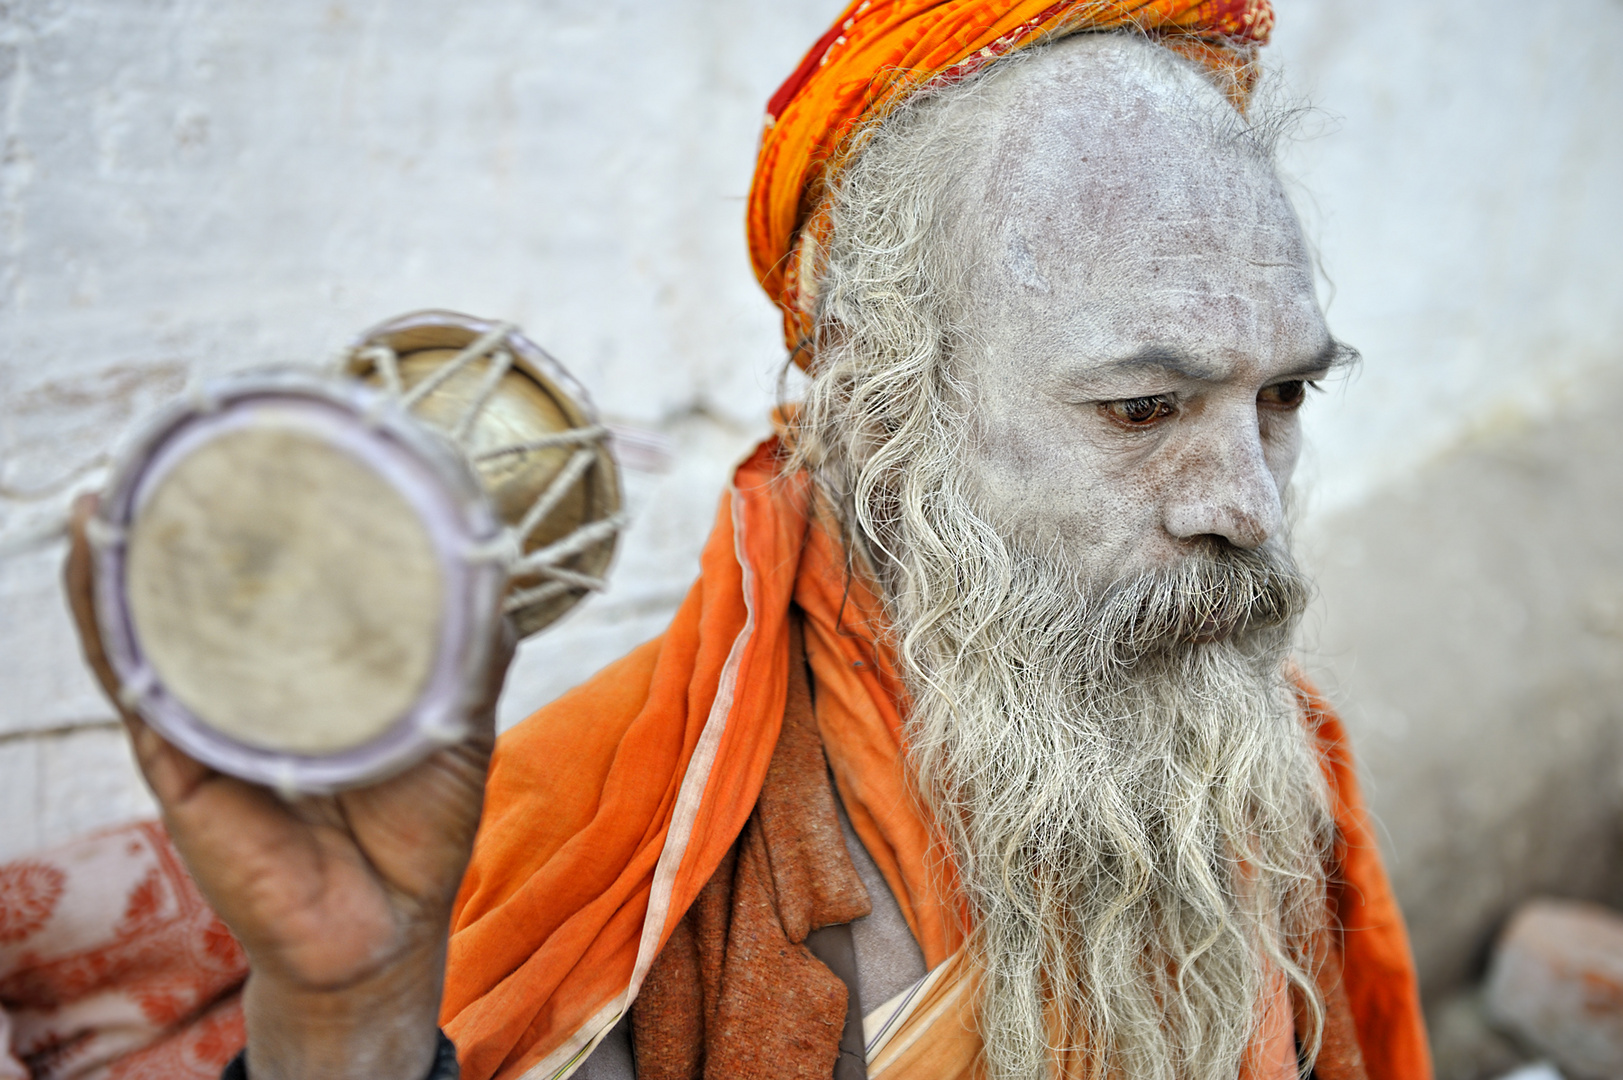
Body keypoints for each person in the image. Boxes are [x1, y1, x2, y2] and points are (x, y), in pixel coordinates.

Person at [61, 2, 1433, 1078]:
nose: (1246, 504)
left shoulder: (1258, 751)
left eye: (1284, 397)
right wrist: (351, 1015)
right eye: (1144, 407)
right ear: (887, 408)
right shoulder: (625, 845)